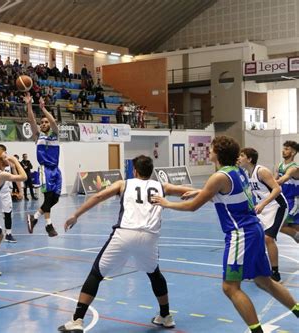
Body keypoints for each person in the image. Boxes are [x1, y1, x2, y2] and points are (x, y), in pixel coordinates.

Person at [151, 136, 299, 333]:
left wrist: (167, 203)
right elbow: (219, 195)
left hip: (240, 234)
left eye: (211, 148)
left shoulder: (219, 177)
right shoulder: (238, 172)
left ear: (218, 152)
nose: (209, 151)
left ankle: (257, 331)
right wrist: (197, 192)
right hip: (253, 228)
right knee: (264, 281)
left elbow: (194, 206)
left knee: (230, 287)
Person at [58, 155, 198, 332]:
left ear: (135, 171)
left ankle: (77, 320)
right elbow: (189, 190)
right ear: (151, 171)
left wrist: (76, 214)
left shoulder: (124, 184)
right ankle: (166, 316)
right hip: (149, 237)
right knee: (154, 274)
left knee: (96, 274)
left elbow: (99, 196)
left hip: (125, 233)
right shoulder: (162, 186)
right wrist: (203, 191)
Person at [237, 147, 288, 282]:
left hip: (277, 206)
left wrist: (263, 204)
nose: (239, 158)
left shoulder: (261, 171)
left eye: (242, 155)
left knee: (268, 238)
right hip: (263, 208)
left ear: (249, 159)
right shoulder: (247, 174)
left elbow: (277, 189)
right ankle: (256, 268)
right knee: (254, 235)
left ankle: (275, 273)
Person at [24, 93, 60, 237]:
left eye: (46, 122)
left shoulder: (55, 134)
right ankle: (48, 225)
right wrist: (29, 105)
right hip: (45, 170)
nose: (44, 123)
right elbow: (32, 120)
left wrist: (43, 108)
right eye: (42, 122)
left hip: (56, 170)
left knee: (55, 198)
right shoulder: (38, 136)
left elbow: (54, 123)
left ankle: (34, 218)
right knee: (48, 198)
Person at [275, 140, 299, 243]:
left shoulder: (294, 168)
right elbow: (274, 179)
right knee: (294, 227)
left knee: (280, 226)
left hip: (294, 201)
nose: (283, 151)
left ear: (293, 152)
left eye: (287, 149)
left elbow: (282, 179)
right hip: (284, 200)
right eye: (283, 148)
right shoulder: (280, 165)